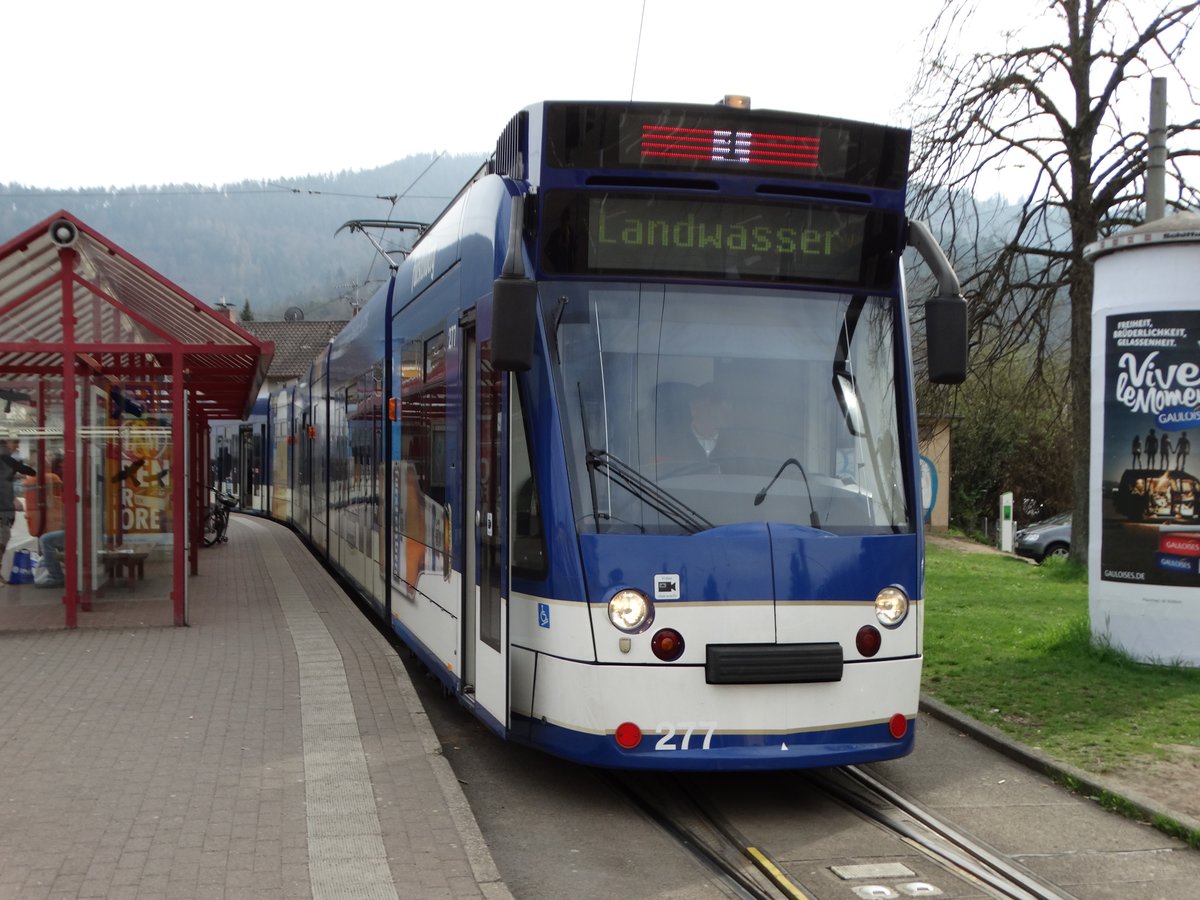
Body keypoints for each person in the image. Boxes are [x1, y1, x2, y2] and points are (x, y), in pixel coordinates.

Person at [660, 382, 733, 462]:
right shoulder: (673, 442)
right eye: (707, 406)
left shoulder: (735, 444)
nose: (715, 412)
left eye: (720, 406)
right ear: (693, 408)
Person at [24, 459, 64, 587]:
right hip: (69, 528)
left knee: (46, 540)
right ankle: (54, 573)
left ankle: (56, 576)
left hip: (73, 531)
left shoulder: (46, 483)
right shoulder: (55, 482)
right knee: (48, 539)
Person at [1, 439, 37, 585]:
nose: (13, 447)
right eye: (12, 444)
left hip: (5, 507)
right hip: (4, 509)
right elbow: (30, 471)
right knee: (2, 540)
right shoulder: (7, 460)